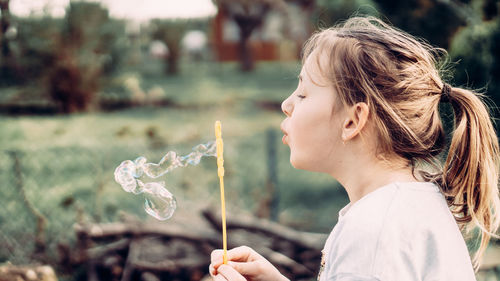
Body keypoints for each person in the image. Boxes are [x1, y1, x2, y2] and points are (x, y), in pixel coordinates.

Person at [209, 16, 500, 281]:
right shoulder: (404, 207)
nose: (287, 105)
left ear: (353, 120)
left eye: (303, 92)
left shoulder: (372, 232)